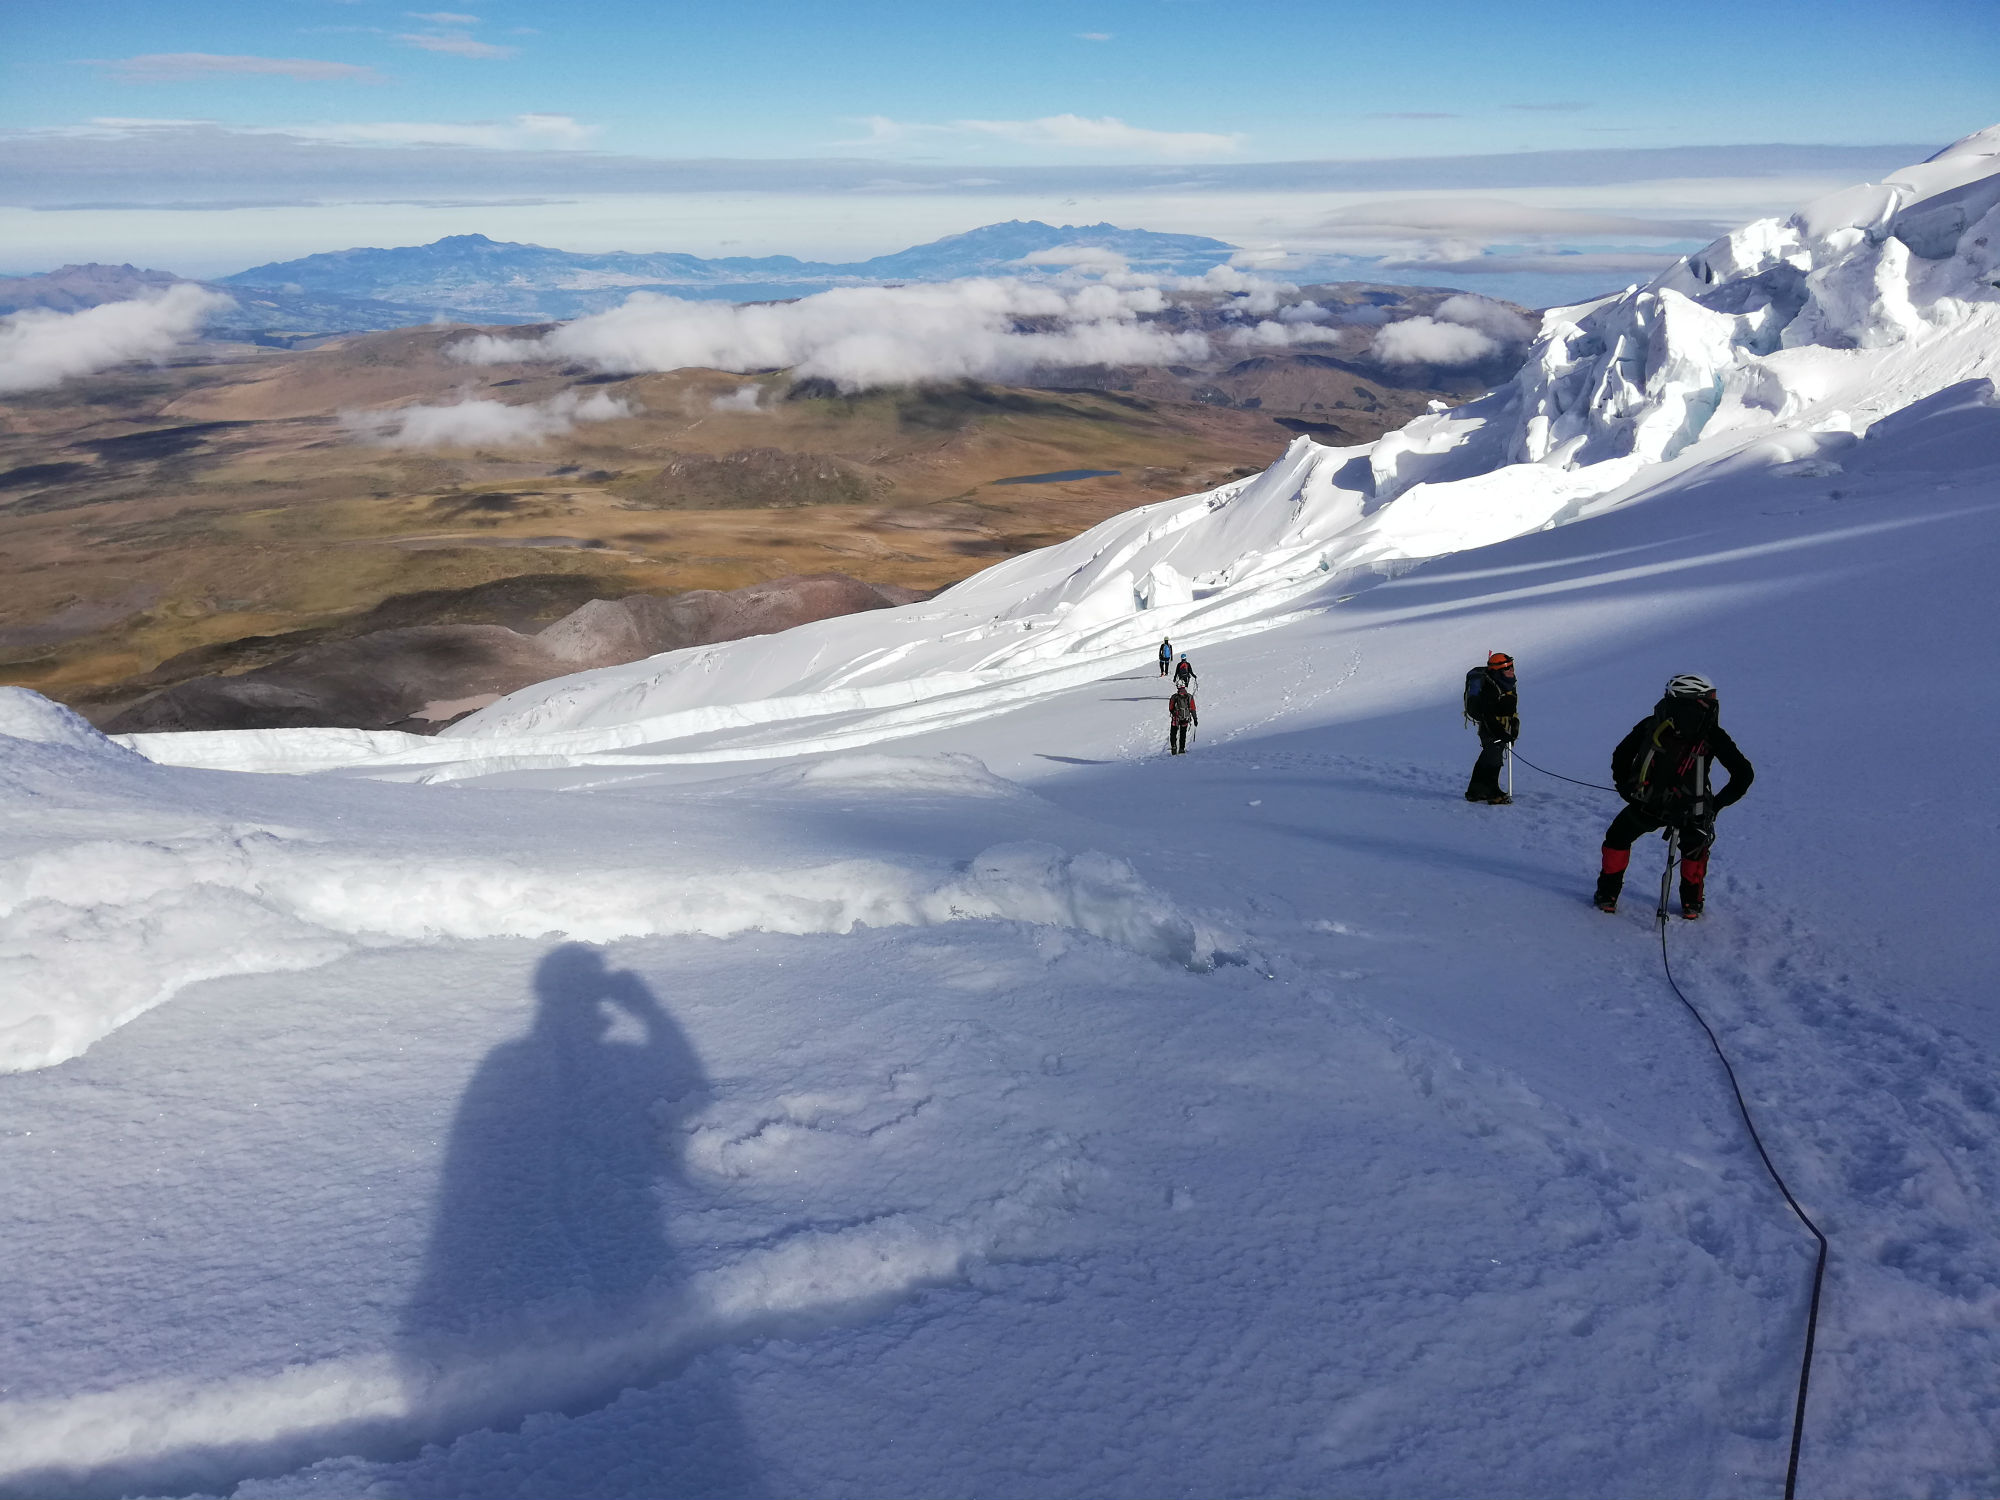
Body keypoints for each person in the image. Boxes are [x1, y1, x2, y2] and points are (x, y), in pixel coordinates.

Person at [1594, 673, 1755, 919]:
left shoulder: (1653, 723)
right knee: (1695, 850)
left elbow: (1621, 754)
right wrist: (1715, 806)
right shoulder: (1711, 732)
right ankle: (1691, 904)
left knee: (1617, 837)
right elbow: (1743, 775)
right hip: (1694, 808)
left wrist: (1627, 788)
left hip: (1648, 803)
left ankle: (1607, 896)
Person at [1463, 651, 1519, 804]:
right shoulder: (1490, 688)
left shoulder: (1507, 683)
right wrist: (1501, 733)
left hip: (1500, 727)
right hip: (1491, 728)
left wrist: (1511, 728)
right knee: (1493, 758)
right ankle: (1492, 792)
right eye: (1507, 668)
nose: (1511, 670)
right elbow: (1487, 714)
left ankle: (1475, 792)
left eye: (1511, 667)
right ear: (1497, 671)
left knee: (1489, 757)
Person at [1168, 683, 1198, 754]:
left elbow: (1171, 708)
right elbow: (1193, 708)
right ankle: (1181, 748)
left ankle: (1174, 747)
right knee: (1183, 733)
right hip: (1185, 717)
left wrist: (1174, 713)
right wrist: (1195, 719)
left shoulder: (1174, 697)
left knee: (1173, 732)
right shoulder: (1189, 697)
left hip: (1176, 717)